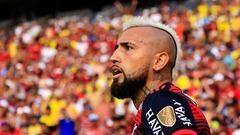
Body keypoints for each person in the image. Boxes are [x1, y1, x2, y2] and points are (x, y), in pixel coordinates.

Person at [109, 16, 210, 135]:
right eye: (117, 48)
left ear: (158, 61)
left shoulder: (159, 100)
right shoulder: (161, 101)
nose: (113, 57)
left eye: (129, 48)